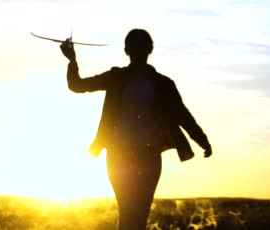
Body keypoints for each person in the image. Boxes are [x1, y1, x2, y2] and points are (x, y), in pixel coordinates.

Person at [60, 29, 212, 230]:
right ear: (127, 50)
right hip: (119, 154)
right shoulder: (116, 77)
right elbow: (77, 85)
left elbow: (181, 114)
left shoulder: (163, 84)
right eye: (135, 46)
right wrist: (72, 60)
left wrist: (202, 140)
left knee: (138, 217)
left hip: (148, 155)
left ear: (149, 49)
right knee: (128, 213)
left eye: (142, 45)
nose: (139, 50)